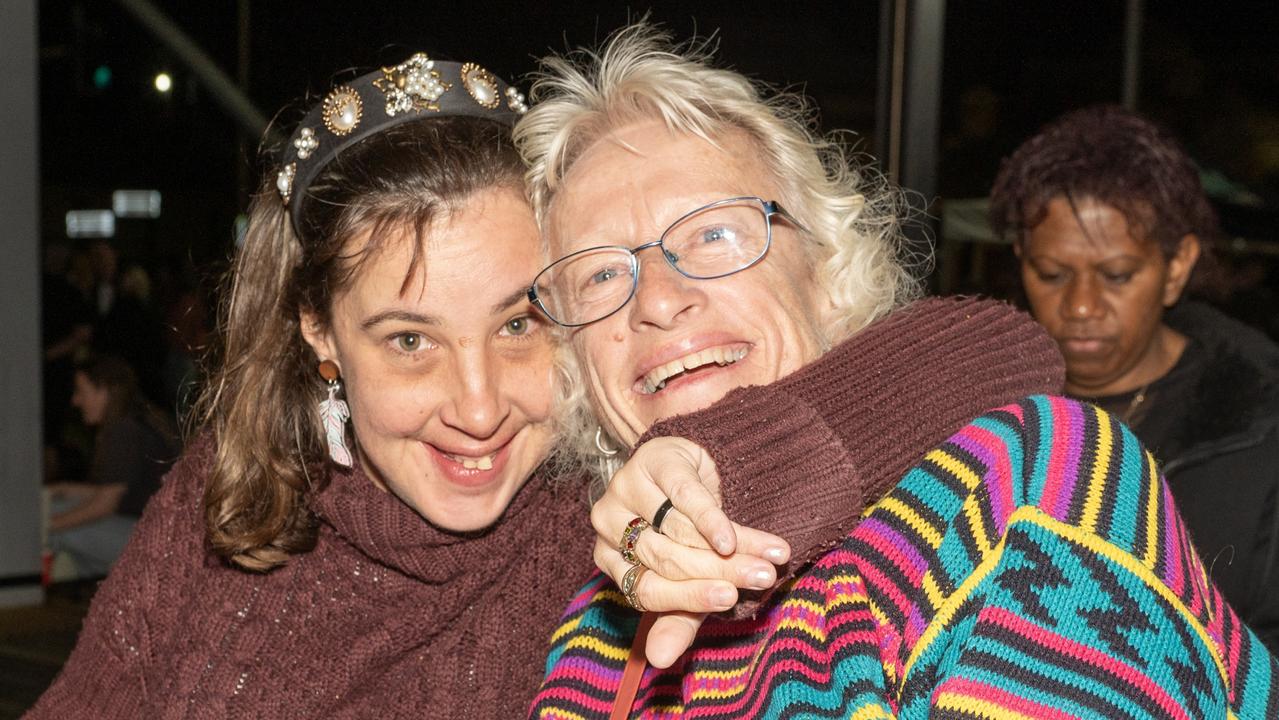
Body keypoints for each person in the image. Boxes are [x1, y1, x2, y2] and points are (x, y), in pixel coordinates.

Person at [516, 25, 1279, 718]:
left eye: (715, 233)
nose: (657, 299)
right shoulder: (589, 635)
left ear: (828, 269)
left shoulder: (1024, 488)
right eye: (598, 275)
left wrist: (747, 459)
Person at [28, 52, 809, 719]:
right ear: (319, 331)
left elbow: (926, 354)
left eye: (515, 326)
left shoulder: (619, 526)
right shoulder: (227, 496)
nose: (478, 408)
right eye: (410, 341)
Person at [989, 104, 1279, 651]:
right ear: (1021, 256)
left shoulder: (1259, 428)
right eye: (1051, 274)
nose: (1079, 306)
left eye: (1116, 276)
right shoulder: (982, 407)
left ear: (1176, 267)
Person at [46, 355, 179, 578]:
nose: (75, 401)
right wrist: (63, 489)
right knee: (57, 507)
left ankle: (24, 594)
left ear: (104, 391)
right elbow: (126, 492)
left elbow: (105, 504)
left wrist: (41, 527)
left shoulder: (124, 431)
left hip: (156, 541)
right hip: (155, 532)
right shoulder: (136, 421)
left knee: (54, 524)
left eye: (81, 391)